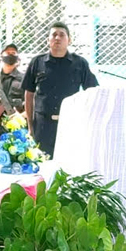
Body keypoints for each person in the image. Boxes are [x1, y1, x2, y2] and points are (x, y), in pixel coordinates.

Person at [22, 21, 98, 156]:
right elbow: (29, 93)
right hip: (43, 125)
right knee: (42, 164)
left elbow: (92, 92)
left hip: (71, 123)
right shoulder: (37, 62)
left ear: (69, 40)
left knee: (68, 164)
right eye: (54, 35)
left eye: (62, 35)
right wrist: (30, 125)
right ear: (48, 40)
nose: (57, 38)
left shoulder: (80, 63)